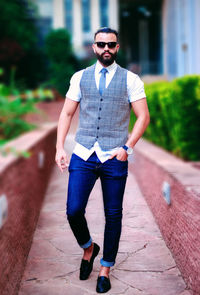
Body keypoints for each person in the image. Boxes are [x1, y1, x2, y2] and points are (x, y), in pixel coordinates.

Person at [55, 27, 150, 293]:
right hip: (83, 152)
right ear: (94, 47)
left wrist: (127, 147)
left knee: (113, 214)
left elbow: (143, 116)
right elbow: (66, 114)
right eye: (101, 44)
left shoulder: (131, 80)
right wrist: (59, 147)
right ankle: (89, 248)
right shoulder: (79, 77)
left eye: (111, 44)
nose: (106, 48)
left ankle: (105, 269)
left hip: (114, 156)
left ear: (117, 47)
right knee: (73, 210)